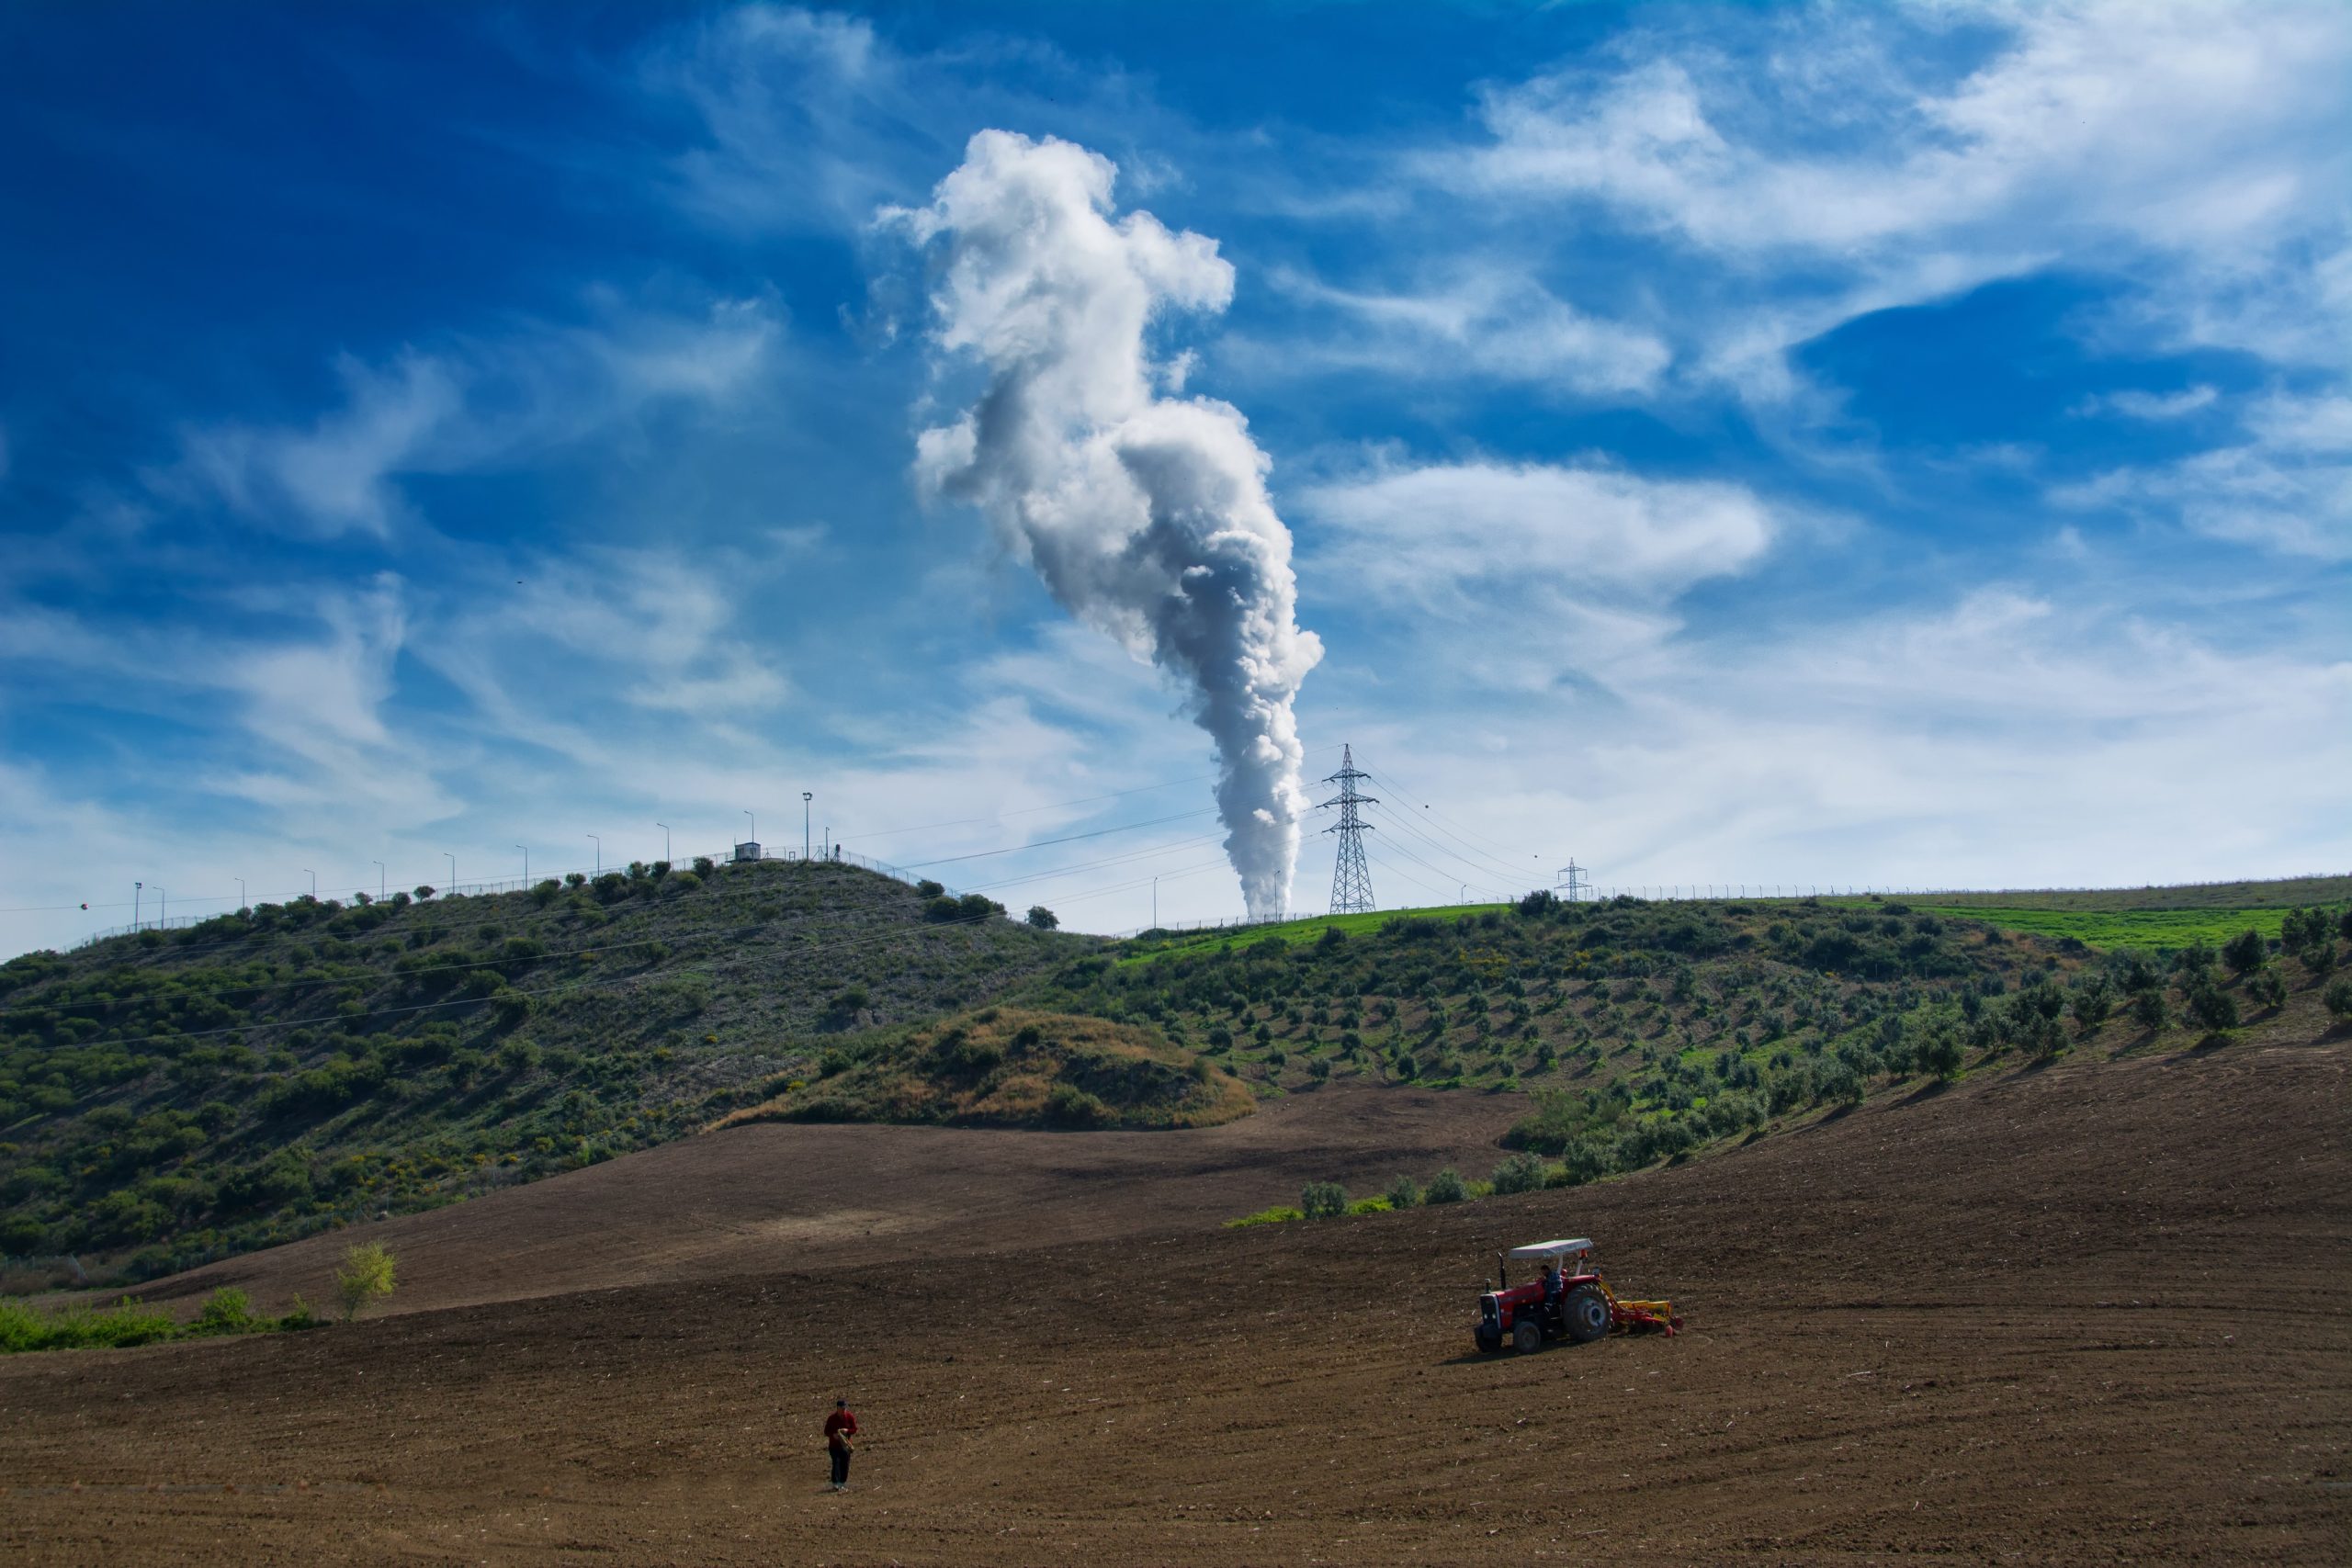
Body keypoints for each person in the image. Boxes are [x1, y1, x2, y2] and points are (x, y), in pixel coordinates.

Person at [823, 1397, 858, 1491]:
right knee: (836, 1463)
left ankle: (842, 1483)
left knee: (845, 1464)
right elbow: (826, 1431)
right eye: (842, 1408)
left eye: (845, 1408)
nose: (844, 1410)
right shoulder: (831, 1418)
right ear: (838, 1408)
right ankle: (835, 1483)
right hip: (834, 1446)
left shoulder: (850, 1417)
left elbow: (854, 1429)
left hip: (845, 1446)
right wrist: (833, 1435)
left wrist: (847, 1431)